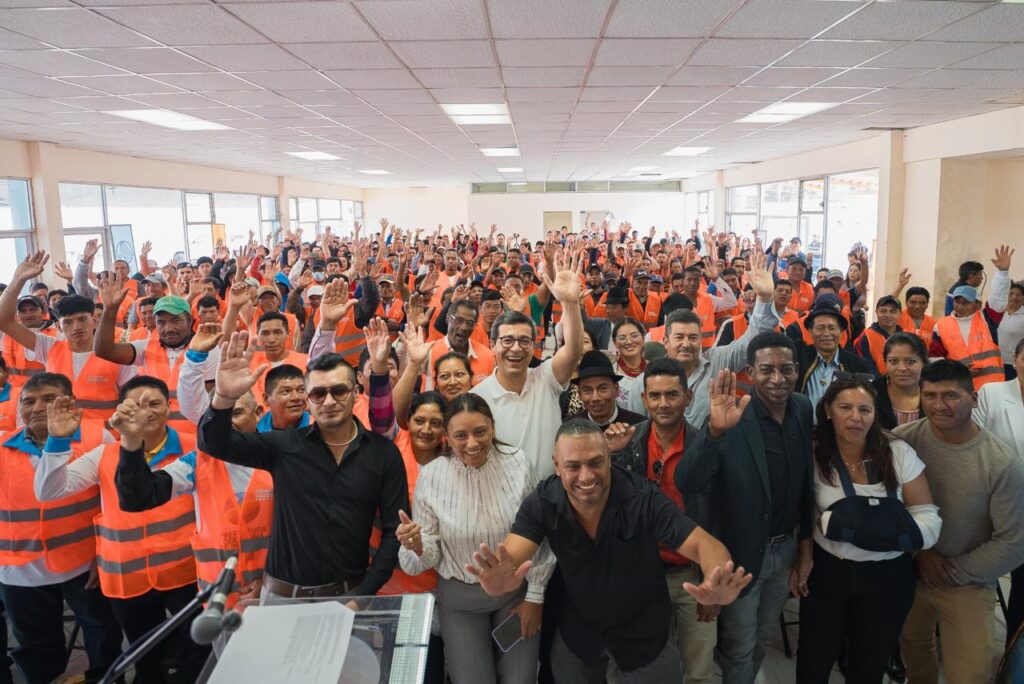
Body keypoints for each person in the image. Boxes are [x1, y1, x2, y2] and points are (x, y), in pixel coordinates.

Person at [463, 419, 752, 682]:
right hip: (580, 630)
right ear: (556, 465)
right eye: (573, 466)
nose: (586, 476)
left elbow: (703, 544)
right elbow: (513, 553)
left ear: (609, 459)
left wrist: (716, 576)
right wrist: (501, 576)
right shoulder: (543, 501)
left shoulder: (643, 497)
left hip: (643, 630)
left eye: (595, 463)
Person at [198, 333, 408, 599]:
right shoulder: (284, 446)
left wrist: (362, 596)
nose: (329, 401)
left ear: (355, 393)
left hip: (351, 595)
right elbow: (214, 444)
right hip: (282, 598)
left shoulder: (382, 454)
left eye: (339, 391)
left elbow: (394, 532)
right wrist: (224, 398)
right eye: (318, 394)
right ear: (308, 399)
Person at [35, 376, 208, 683]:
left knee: (198, 649)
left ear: (169, 407)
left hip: (185, 573)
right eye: (136, 405)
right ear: (121, 411)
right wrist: (57, 443)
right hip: (128, 577)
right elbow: (49, 491)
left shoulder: (194, 447)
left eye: (154, 403)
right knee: (144, 655)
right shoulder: (105, 454)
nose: (146, 412)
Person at [674, 334, 814, 684]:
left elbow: (804, 485)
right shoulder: (732, 415)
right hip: (742, 553)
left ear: (797, 370)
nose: (777, 378)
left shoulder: (802, 408)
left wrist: (805, 546)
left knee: (761, 638)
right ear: (750, 372)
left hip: (786, 549)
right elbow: (688, 481)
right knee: (739, 645)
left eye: (786, 369)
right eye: (767, 370)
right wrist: (714, 432)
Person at [791, 378, 942, 683]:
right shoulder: (813, 452)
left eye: (865, 409)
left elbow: (928, 521)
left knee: (869, 664)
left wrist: (852, 529)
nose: (855, 417)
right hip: (828, 573)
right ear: (828, 410)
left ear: (875, 413)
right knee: (814, 658)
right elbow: (803, 512)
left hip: (888, 577)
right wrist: (804, 554)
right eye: (845, 407)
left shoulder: (897, 451)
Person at [397, 394, 553, 683]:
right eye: (461, 436)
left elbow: (539, 535)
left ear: (492, 427)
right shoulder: (432, 476)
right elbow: (429, 553)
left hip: (514, 595)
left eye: (480, 431)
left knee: (521, 678)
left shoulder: (518, 463)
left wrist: (535, 596)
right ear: (447, 436)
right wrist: (417, 546)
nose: (472, 443)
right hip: (460, 601)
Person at [894, 360, 1024, 684]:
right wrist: (921, 554)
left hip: (968, 581)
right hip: (910, 571)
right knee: (913, 647)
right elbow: (889, 509)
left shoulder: (1001, 462)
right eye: (930, 395)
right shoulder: (901, 442)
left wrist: (953, 571)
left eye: (951, 395)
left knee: (970, 673)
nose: (939, 405)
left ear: (974, 398)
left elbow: (1013, 542)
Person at [0, 372, 123, 684]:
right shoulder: (2, 445)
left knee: (102, 637)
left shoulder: (98, 437)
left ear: (71, 403)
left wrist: (105, 554)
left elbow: (113, 503)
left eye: (49, 399)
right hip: (19, 571)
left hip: (83, 565)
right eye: (28, 401)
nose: (38, 408)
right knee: (35, 647)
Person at [605, 357, 716, 684]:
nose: (663, 403)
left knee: (699, 670)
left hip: (692, 575)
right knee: (648, 667)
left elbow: (718, 517)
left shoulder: (705, 446)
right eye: (655, 395)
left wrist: (711, 582)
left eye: (672, 394)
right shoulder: (628, 442)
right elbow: (611, 508)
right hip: (644, 576)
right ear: (644, 399)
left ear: (688, 397)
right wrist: (613, 455)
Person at [112, 386, 270, 607]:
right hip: (219, 598)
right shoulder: (196, 463)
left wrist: (270, 578)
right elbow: (138, 497)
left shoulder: (278, 455)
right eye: (219, 417)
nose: (227, 424)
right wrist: (131, 440)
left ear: (258, 413)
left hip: (274, 592)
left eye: (236, 413)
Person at [472, 248, 585, 478]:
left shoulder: (546, 378)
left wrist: (571, 304)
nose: (516, 348)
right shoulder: (477, 398)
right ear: (492, 345)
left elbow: (573, 351)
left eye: (524, 341)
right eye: (507, 340)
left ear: (534, 346)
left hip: (550, 493)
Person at [0, 252, 136, 426]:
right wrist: (18, 280)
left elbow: (132, 402)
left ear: (94, 320)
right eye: (68, 322)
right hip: (60, 435)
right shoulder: (49, 347)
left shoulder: (116, 355)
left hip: (105, 438)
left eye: (82, 319)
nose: (76, 327)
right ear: (59, 325)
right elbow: (4, 321)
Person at [660, 246, 778, 427]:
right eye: (679, 337)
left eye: (693, 337)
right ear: (665, 341)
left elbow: (753, 340)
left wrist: (764, 298)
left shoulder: (717, 362)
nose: (686, 344)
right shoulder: (650, 378)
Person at [93, 275, 195, 434]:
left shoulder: (206, 351)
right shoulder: (145, 347)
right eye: (161, 322)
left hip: (194, 439)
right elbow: (103, 350)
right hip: (153, 436)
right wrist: (110, 309)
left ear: (189, 321)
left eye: (176, 321)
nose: (168, 328)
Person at [973, 338, 1024, 636]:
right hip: (991, 502)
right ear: (1015, 359)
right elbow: (975, 443)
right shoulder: (992, 393)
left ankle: (1014, 650)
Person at [930, 245, 1013, 391]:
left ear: (977, 304)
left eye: (966, 303)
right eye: (957, 302)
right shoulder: (941, 326)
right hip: (958, 389)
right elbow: (934, 358)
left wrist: (1002, 273)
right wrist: (956, 370)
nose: (960, 306)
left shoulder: (987, 319)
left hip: (991, 391)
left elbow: (998, 298)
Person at [790, 294, 876, 411]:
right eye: (820, 328)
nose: (826, 334)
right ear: (810, 331)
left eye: (832, 328)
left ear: (841, 331)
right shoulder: (799, 356)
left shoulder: (857, 365)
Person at [424, 299, 495, 390]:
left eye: (470, 323)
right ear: (448, 318)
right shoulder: (430, 351)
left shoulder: (488, 356)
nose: (464, 327)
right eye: (459, 320)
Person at [568, 350, 646, 428]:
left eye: (603, 388)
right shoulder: (570, 428)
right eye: (587, 390)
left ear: (616, 389)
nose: (595, 398)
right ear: (579, 394)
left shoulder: (639, 427)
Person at [873, 332, 928, 429]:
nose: (901, 368)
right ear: (885, 362)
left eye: (910, 361)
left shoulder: (936, 394)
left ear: (923, 363)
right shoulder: (870, 393)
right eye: (893, 361)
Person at [853, 295, 903, 375]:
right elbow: (865, 368)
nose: (887, 315)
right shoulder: (866, 337)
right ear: (876, 312)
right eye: (883, 311)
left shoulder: (906, 337)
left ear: (900, 314)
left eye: (893, 311)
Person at [890, 269, 936, 348]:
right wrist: (901, 285)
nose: (917, 306)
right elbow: (889, 303)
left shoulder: (934, 323)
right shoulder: (897, 317)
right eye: (913, 302)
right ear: (906, 302)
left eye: (922, 303)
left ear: (927, 304)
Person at [611, 317, 648, 415]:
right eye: (622, 338)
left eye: (634, 336)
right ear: (615, 343)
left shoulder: (654, 369)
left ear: (643, 338)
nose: (629, 341)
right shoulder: (610, 373)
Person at [997, 281, 1024, 380]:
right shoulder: (998, 312)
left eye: (1019, 295)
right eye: (1011, 293)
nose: (1014, 297)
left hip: (1013, 364)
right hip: (995, 362)